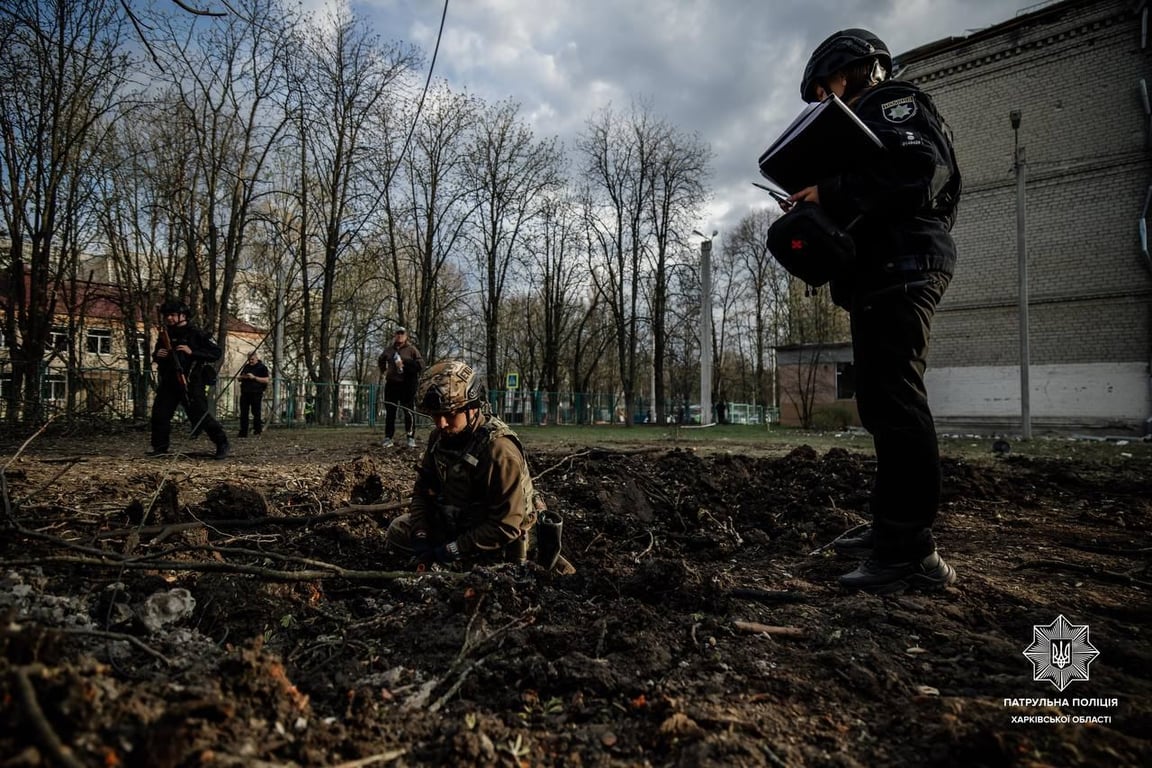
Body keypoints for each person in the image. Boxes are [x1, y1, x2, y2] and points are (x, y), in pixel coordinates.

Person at [784, 29, 962, 593]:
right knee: (883, 405)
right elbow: (880, 183)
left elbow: (915, 172)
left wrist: (830, 192)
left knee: (897, 403)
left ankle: (910, 551)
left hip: (904, 266)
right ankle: (892, 528)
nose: (824, 103)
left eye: (825, 90)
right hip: (881, 271)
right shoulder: (872, 119)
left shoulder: (893, 102)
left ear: (851, 70)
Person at [385, 360, 573, 574]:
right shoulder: (439, 438)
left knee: (466, 574)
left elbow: (507, 525)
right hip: (460, 523)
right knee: (399, 531)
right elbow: (422, 491)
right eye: (435, 415)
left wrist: (449, 551)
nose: (441, 423)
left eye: (450, 414)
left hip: (497, 540)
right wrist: (421, 537)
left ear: (472, 408)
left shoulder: (499, 450)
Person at [149, 299, 230, 460]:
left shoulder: (196, 334)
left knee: (200, 415)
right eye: (167, 316)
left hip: (191, 381)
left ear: (182, 315)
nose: (169, 318)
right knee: (160, 414)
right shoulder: (166, 334)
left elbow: (216, 353)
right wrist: (157, 355)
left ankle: (222, 443)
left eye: (172, 315)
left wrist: (192, 352)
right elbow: (159, 354)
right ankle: (160, 447)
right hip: (169, 381)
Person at [377, 326, 424, 448]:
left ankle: (410, 437)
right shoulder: (389, 350)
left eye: (402, 333)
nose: (399, 336)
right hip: (392, 384)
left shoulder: (412, 350)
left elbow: (420, 365)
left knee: (408, 411)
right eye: (397, 333)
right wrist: (383, 370)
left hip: (407, 385)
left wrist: (405, 364)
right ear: (395, 335)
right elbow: (381, 360)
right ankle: (388, 437)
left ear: (406, 336)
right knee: (390, 411)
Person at [237, 351, 270, 438]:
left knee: (256, 412)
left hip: (256, 392)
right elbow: (240, 377)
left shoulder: (262, 368)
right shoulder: (246, 367)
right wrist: (242, 377)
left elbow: (266, 380)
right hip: (245, 392)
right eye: (249, 359)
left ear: (256, 358)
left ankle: (257, 430)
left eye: (252, 359)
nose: (250, 361)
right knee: (244, 413)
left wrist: (254, 377)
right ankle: (243, 432)